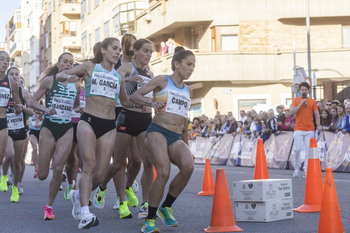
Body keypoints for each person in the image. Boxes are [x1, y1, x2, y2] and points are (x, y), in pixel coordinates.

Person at [56, 38, 137, 229]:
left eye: (119, 50)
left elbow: (125, 102)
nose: (117, 53)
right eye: (114, 49)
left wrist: (147, 103)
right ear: (103, 50)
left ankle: (78, 195)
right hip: (89, 121)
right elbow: (60, 76)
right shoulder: (90, 67)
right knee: (89, 165)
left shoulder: (118, 76)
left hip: (109, 126)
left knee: (100, 175)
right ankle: (85, 213)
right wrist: (68, 77)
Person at [130, 49, 195, 233]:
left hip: (176, 136)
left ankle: (165, 206)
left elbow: (183, 123)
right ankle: (149, 220)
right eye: (188, 64)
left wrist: (186, 147)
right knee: (164, 171)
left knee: (188, 166)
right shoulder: (162, 80)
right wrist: (151, 103)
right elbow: (135, 96)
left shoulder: (188, 90)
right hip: (157, 131)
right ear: (177, 64)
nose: (191, 69)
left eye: (193, 66)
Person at [95, 38, 155, 219]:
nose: (148, 55)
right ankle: (103, 187)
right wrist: (129, 78)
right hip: (125, 117)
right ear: (135, 51)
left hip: (145, 119)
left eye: (151, 52)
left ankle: (145, 204)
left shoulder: (151, 73)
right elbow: (112, 77)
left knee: (146, 161)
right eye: (145, 50)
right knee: (119, 164)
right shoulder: (127, 67)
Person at [29, 52, 81, 220]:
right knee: (43, 174)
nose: (68, 65)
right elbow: (32, 102)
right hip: (49, 127)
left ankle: (49, 207)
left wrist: (80, 110)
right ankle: (46, 160)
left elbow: (76, 106)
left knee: (59, 168)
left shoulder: (76, 85)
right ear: (59, 64)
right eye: (65, 62)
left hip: (66, 128)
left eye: (71, 63)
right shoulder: (49, 81)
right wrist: (45, 110)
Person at [0, 67, 33, 202]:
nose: (14, 77)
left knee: (18, 163)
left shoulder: (23, 92)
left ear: (20, 77)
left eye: (17, 75)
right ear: (7, 77)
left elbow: (31, 111)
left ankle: (15, 186)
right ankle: (4, 176)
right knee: (9, 154)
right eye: (11, 74)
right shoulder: (3, 90)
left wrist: (22, 108)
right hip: (7, 128)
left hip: (20, 130)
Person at [289, 82, 320, 178]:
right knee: (297, 149)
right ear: (300, 90)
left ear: (308, 91)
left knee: (308, 151)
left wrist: (318, 126)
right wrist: (300, 104)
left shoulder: (312, 101)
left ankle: (306, 170)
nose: (304, 91)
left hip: (310, 129)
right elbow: (291, 113)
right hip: (298, 128)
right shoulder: (296, 100)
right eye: (302, 89)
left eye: (305, 90)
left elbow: (316, 114)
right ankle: (297, 169)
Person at [0, 51, 21, 193]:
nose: (5, 62)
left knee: (2, 157)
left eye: (7, 60)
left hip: (3, 121)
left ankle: (4, 177)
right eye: (2, 59)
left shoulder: (12, 83)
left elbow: (16, 104)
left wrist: (19, 107)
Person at [29, 109, 44, 178]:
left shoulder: (43, 111)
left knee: (42, 150)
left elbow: (44, 120)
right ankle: (36, 168)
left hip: (41, 132)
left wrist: (40, 118)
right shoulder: (30, 111)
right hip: (33, 131)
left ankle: (41, 166)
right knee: (34, 148)